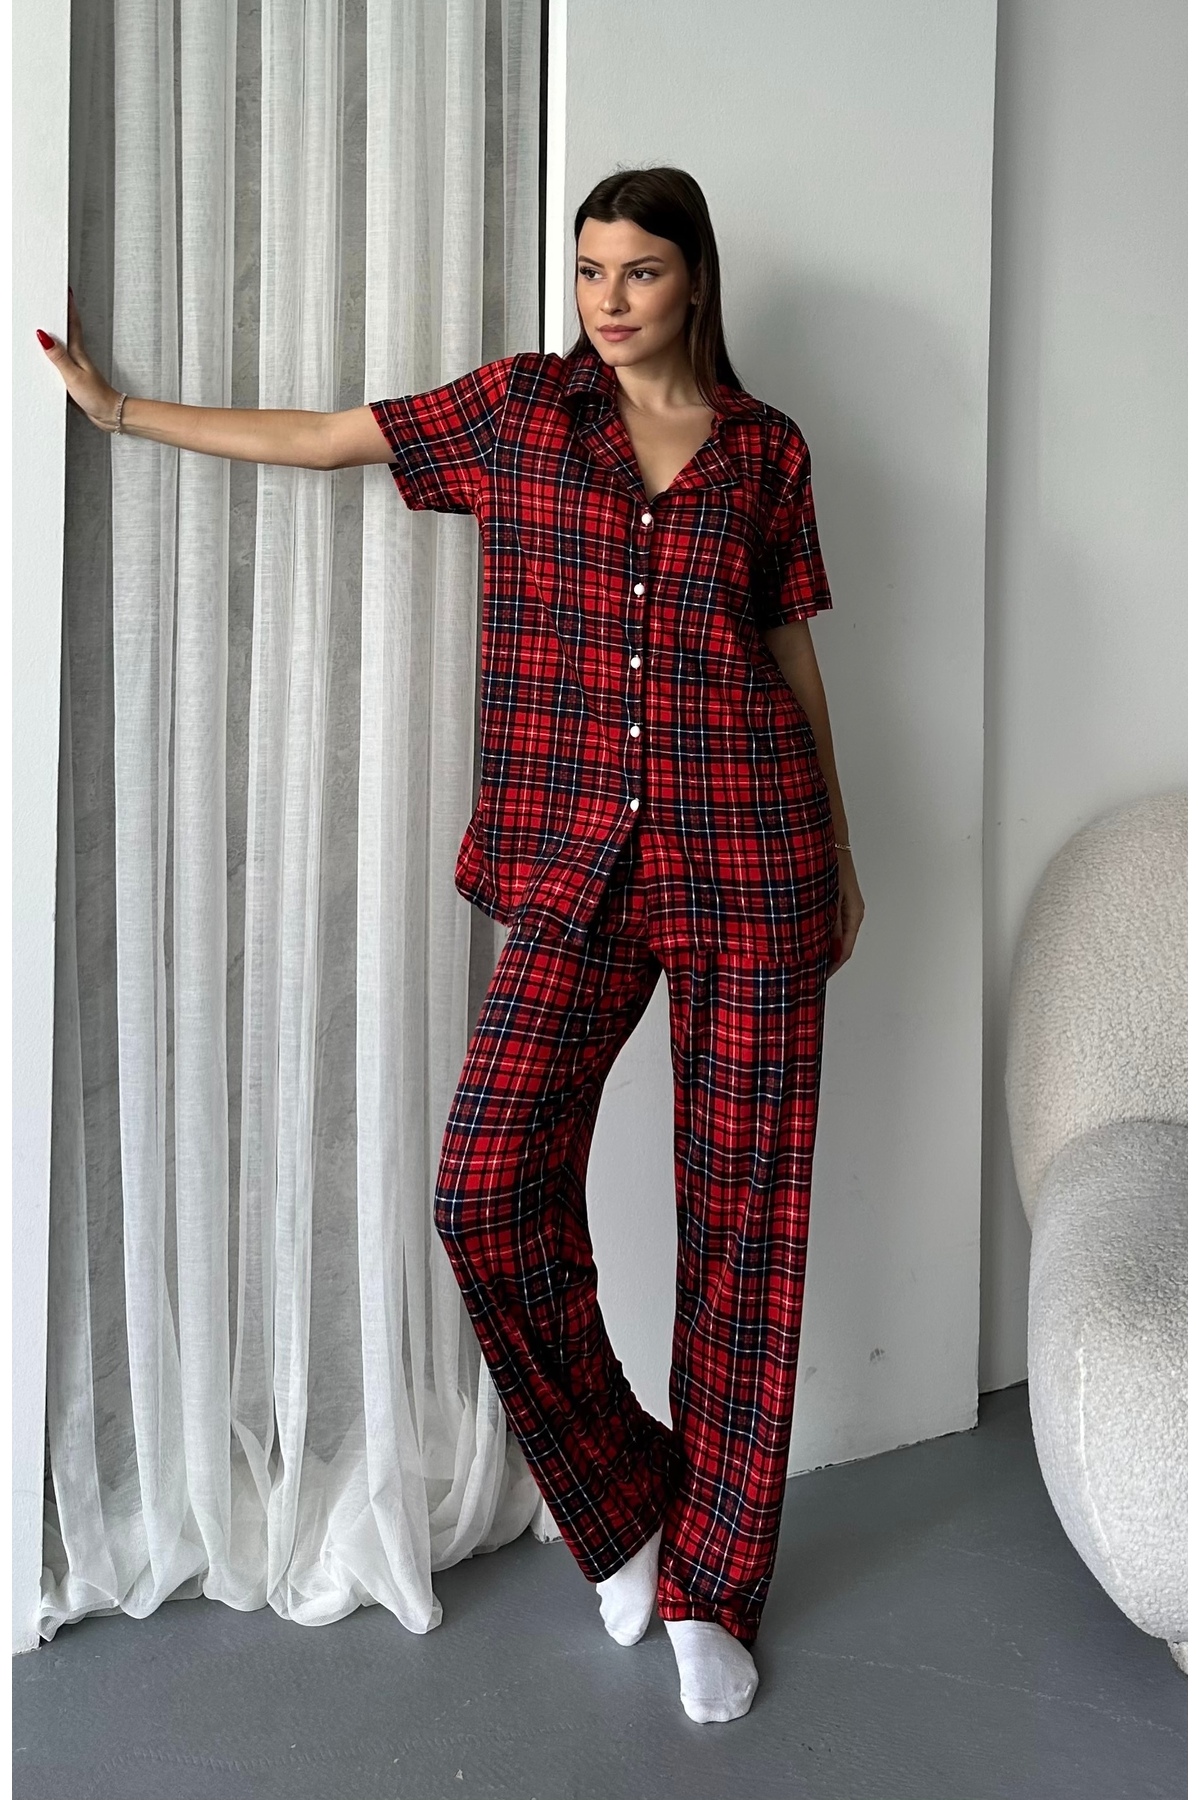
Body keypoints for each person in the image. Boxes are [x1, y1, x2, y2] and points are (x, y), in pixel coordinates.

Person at [38, 163, 865, 1726]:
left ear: (695, 280)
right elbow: (323, 438)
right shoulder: (520, 414)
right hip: (575, 861)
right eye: (590, 271)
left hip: (750, 853)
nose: (608, 300)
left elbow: (788, 648)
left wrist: (836, 845)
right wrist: (122, 413)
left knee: (745, 1226)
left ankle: (715, 1586)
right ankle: (628, 1506)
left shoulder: (766, 451)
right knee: (485, 1189)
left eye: (639, 272)